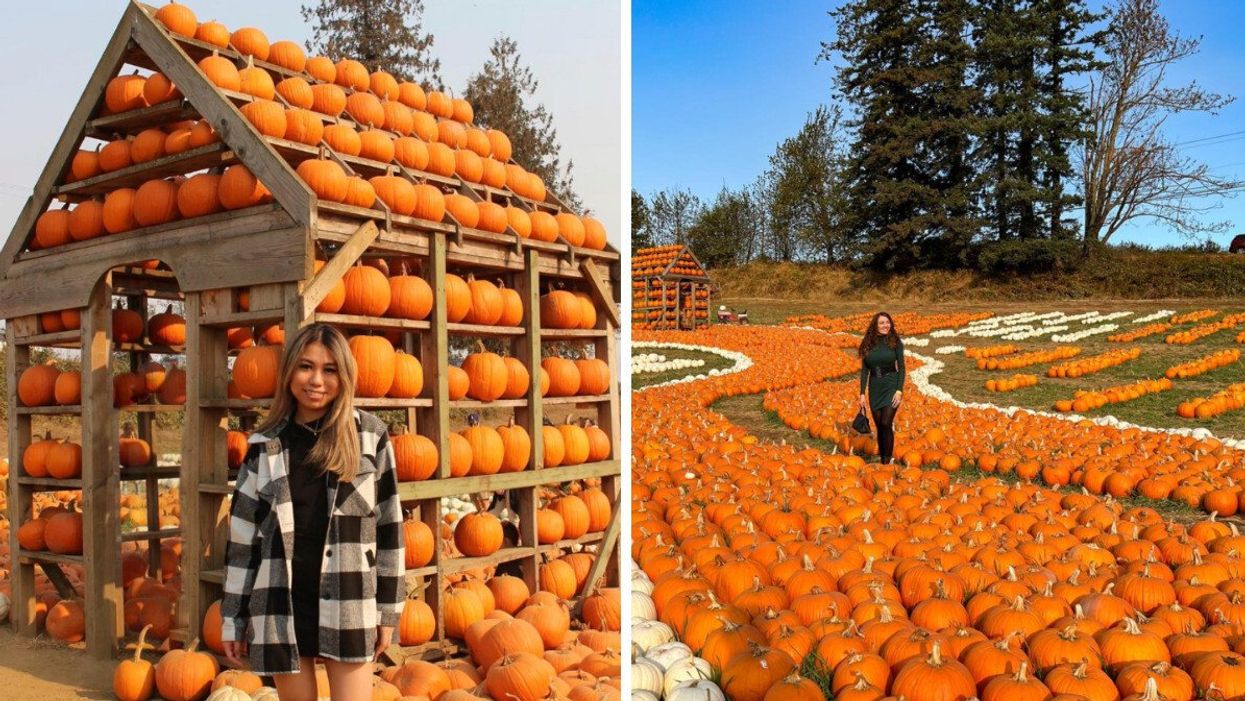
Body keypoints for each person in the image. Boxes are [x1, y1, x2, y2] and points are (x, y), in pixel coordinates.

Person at [219, 323, 404, 699]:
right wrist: (232, 618)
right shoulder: (265, 446)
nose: (316, 380)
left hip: (350, 596)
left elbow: (390, 529)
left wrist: (388, 612)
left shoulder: (370, 437)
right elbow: (242, 542)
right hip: (282, 600)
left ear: (345, 376)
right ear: (289, 372)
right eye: (305, 367)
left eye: (329, 369)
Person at [858, 312, 905, 465]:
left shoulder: (895, 341)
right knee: (879, 425)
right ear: (875, 325)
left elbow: (902, 368)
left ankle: (886, 461)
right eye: (882, 323)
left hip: (891, 384)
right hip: (875, 386)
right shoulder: (868, 343)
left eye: (888, 322)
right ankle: (883, 457)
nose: (886, 325)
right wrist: (862, 394)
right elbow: (865, 369)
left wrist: (899, 390)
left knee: (886, 422)